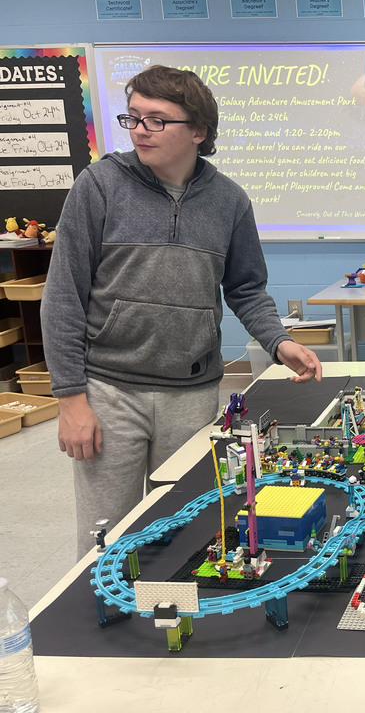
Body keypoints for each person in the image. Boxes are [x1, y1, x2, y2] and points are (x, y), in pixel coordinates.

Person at [40, 65, 323, 557]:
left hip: (192, 393)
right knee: (107, 536)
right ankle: (107, 624)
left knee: (185, 527)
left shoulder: (230, 202)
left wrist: (280, 342)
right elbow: (63, 294)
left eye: (156, 120)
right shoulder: (99, 185)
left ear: (198, 131)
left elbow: (246, 288)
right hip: (109, 390)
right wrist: (70, 399)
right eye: (133, 119)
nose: (140, 131)